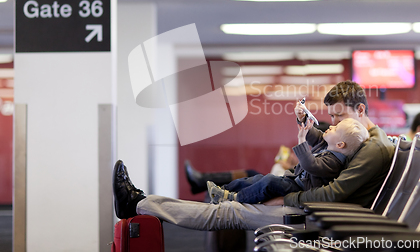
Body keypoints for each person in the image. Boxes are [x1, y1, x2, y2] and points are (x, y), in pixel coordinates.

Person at [113, 80, 395, 231]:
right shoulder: (361, 138)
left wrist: (286, 198)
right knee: (235, 200)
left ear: (360, 110)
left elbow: (333, 194)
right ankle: (140, 201)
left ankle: (140, 203)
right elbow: (324, 148)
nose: (331, 123)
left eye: (339, 116)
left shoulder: (373, 148)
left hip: (314, 216)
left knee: (228, 212)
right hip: (310, 206)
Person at [207, 118, 368, 204]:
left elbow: (310, 164)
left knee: (268, 181)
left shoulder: (334, 163)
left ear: (340, 144)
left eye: (335, 129)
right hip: (294, 180)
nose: (331, 127)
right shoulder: (328, 147)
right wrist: (303, 119)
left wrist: (301, 140)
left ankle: (235, 198)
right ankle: (223, 190)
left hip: (298, 187)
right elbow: (315, 136)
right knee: (258, 179)